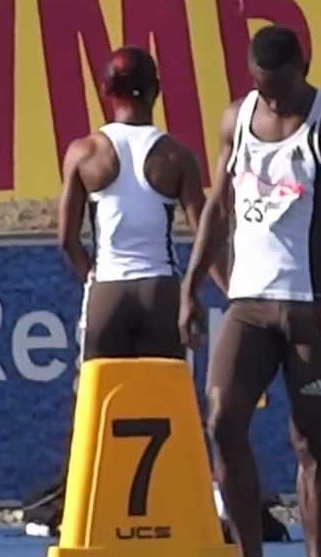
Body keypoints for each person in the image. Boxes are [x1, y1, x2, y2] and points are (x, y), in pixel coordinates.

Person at [179, 25, 321, 557]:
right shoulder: (237, 119)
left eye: (279, 89)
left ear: (304, 67)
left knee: (310, 437)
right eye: (260, 89)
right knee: (221, 422)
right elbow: (216, 206)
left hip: (309, 304)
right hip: (247, 302)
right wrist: (192, 286)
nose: (270, 100)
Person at [58, 45, 224, 362]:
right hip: (161, 292)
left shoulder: (84, 153)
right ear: (156, 91)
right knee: (165, 402)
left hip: (107, 289)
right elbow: (207, 233)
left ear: (105, 90)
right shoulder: (177, 155)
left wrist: (93, 279)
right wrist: (197, 290)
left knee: (97, 399)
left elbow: (67, 240)